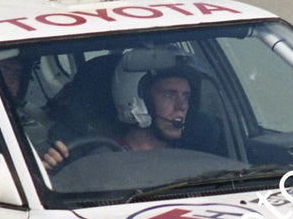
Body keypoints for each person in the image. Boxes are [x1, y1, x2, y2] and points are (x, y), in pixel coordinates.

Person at [42, 62, 198, 170]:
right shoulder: (94, 159)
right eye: (169, 95)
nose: (182, 106)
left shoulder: (193, 157)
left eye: (186, 97)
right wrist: (50, 167)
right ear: (136, 99)